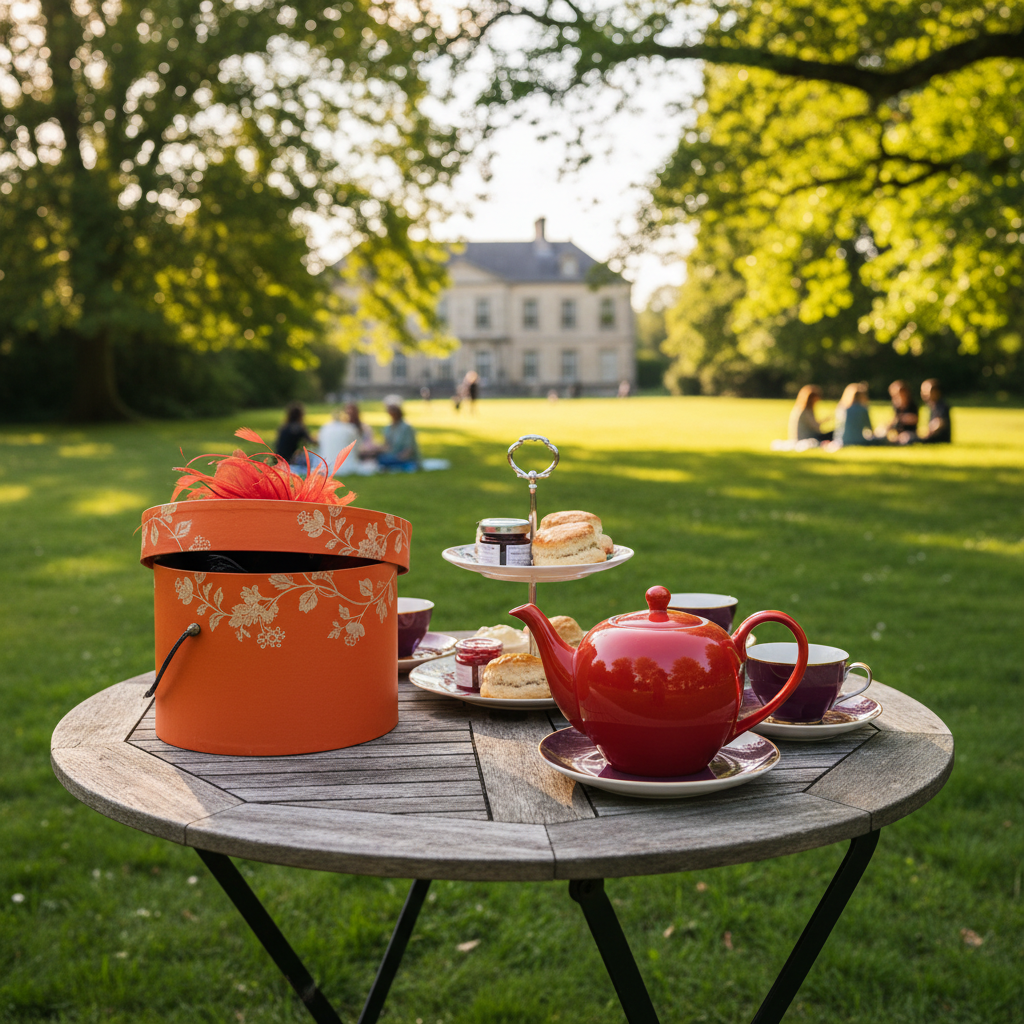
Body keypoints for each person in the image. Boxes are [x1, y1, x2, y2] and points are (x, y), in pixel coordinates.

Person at [376, 395, 419, 471]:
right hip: (392, 456)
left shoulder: (406, 427)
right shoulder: (388, 428)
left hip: (405, 459)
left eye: (393, 410)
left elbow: (409, 449)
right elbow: (387, 445)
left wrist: (398, 457)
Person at [830, 383, 877, 447]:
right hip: (858, 440)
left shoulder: (842, 408)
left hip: (841, 440)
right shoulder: (862, 409)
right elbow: (869, 427)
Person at [317, 409, 360, 476]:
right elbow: (357, 448)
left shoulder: (325, 428)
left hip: (326, 465)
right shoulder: (350, 428)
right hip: (347, 466)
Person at [274, 402, 314, 467]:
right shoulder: (299, 427)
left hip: (279, 459)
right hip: (290, 461)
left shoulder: (284, 427)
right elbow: (310, 441)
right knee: (312, 457)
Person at [920, 379, 952, 443]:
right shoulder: (932, 406)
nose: (924, 394)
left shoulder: (941, 406)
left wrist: (927, 432)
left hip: (938, 438)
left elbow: (941, 422)